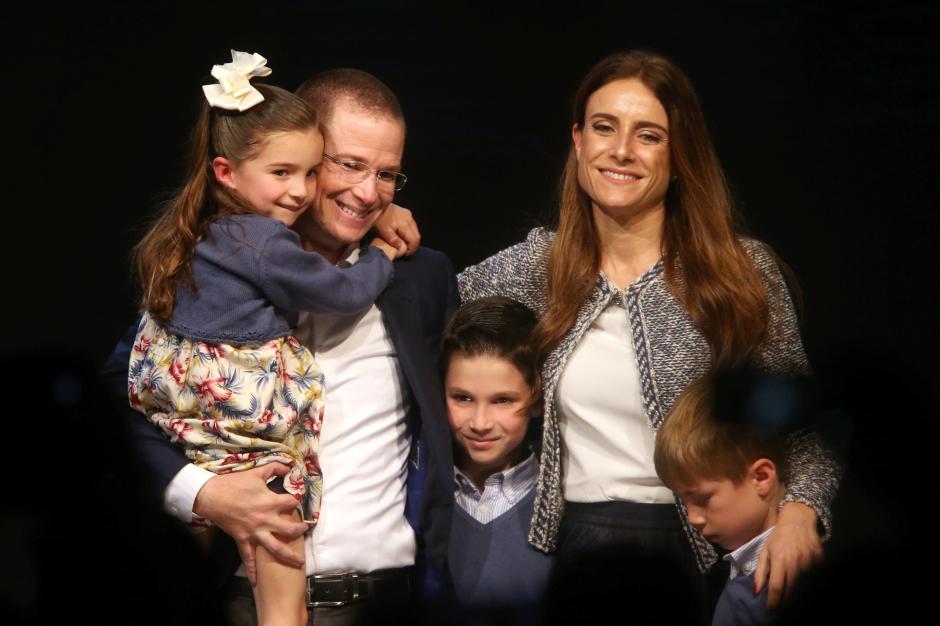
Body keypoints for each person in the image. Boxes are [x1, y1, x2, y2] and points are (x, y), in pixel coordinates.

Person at [457, 50, 840, 610]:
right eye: (604, 127)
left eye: (649, 135)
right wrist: (390, 225)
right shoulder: (533, 269)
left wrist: (803, 512)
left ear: (679, 154)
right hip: (575, 551)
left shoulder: (738, 274)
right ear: (578, 140)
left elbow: (809, 426)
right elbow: (427, 300)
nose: (621, 150)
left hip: (703, 556)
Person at [103, 66, 458, 626]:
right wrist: (202, 493)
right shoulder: (207, 266)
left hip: (384, 603)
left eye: (387, 175)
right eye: (349, 165)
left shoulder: (421, 278)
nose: (367, 193)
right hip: (236, 597)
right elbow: (123, 400)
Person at [440, 296, 552, 619]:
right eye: (462, 398)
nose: (479, 422)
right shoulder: (419, 499)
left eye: (502, 400)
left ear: (537, 399)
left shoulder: (559, 506)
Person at [654, 374, 790, 625]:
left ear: (761, 477)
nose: (693, 518)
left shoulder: (776, 585)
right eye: (684, 501)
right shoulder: (742, 573)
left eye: (703, 499)